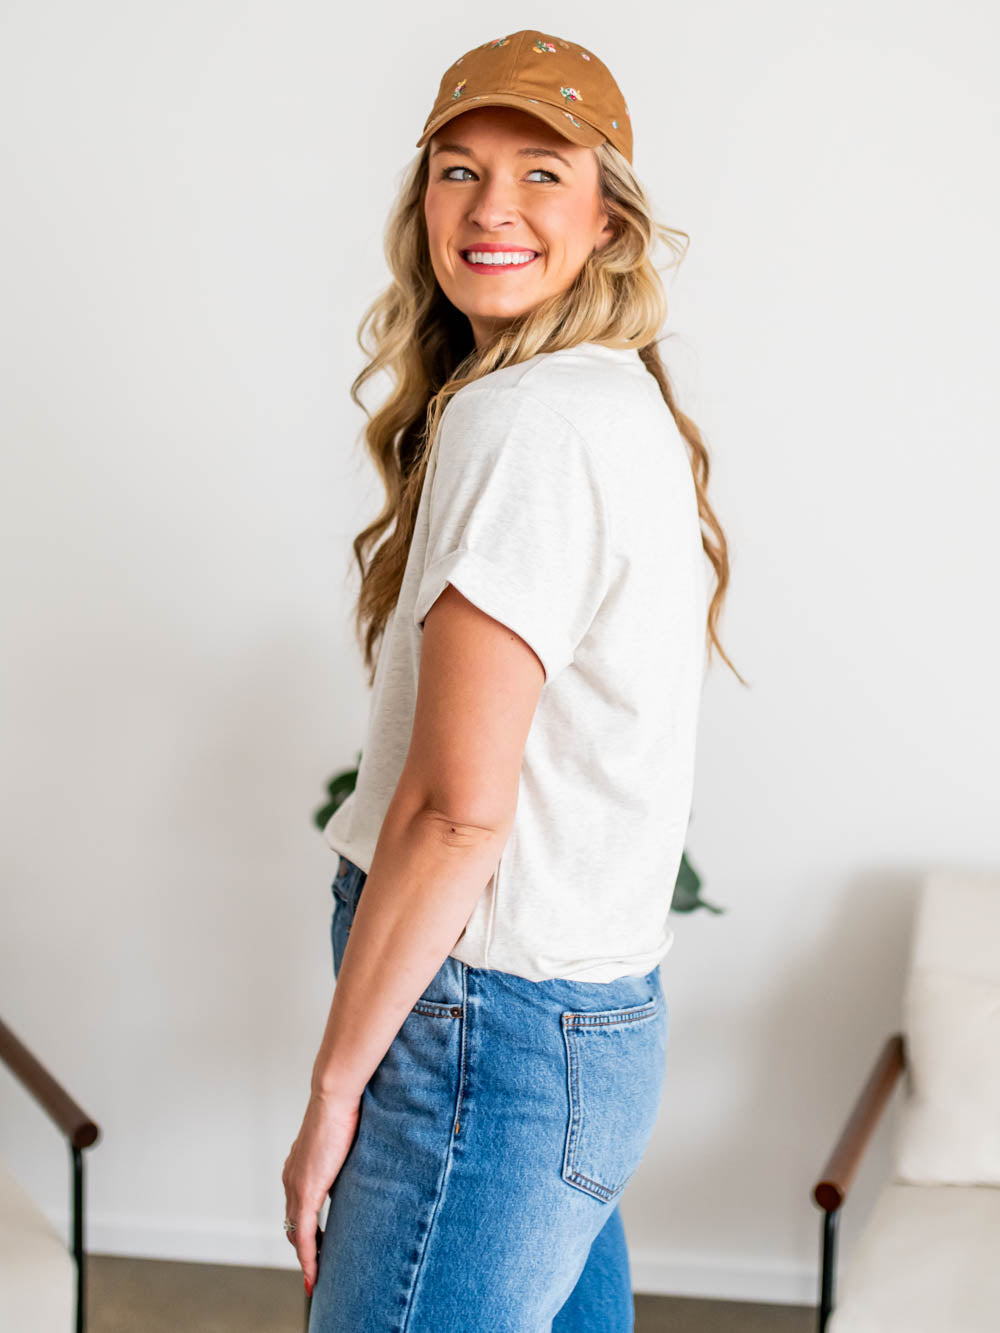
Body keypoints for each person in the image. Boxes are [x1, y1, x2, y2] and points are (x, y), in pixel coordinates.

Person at [283, 28, 743, 1332]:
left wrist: (331, 1098)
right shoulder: (612, 401)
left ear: (608, 217)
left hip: (484, 1040)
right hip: (583, 1031)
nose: (490, 207)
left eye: (543, 171)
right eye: (456, 168)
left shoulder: (525, 418)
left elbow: (457, 813)